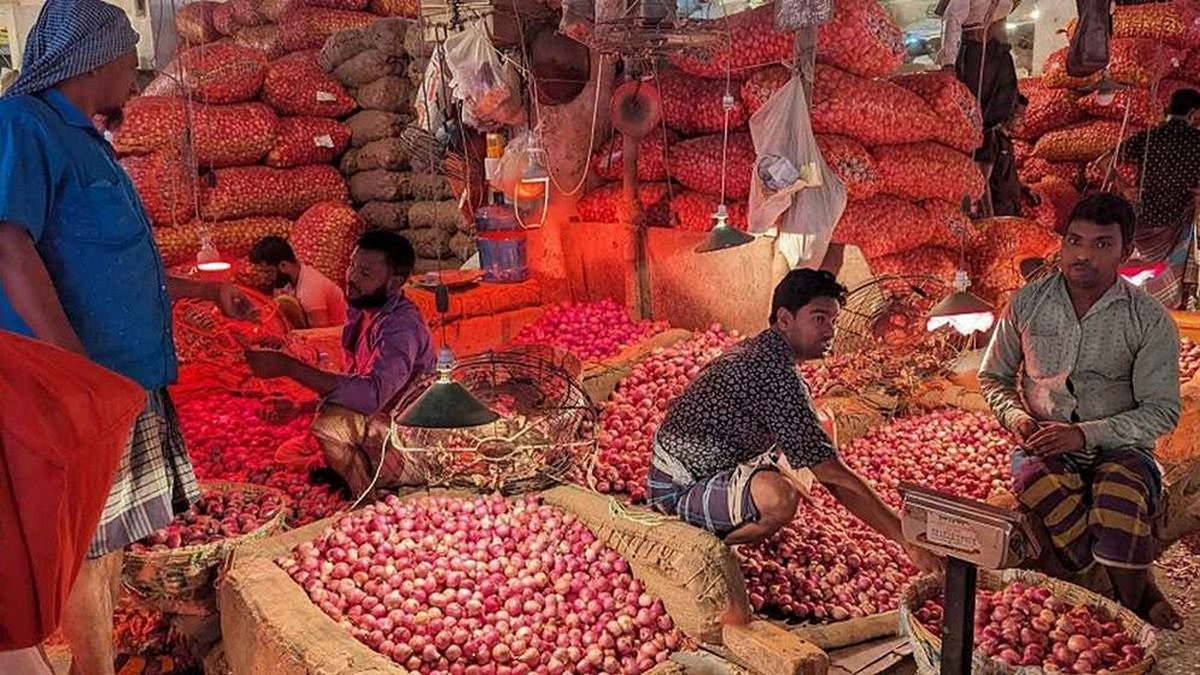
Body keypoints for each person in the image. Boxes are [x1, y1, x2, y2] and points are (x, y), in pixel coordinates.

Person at [0, 2, 255, 673]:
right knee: (86, 534)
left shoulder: (87, 140)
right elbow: (7, 242)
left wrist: (204, 291)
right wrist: (74, 370)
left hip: (121, 380)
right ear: (95, 58)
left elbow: (114, 258)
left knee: (105, 534)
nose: (136, 75)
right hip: (83, 382)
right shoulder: (24, 124)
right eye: (129, 55)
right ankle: (94, 668)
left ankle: (99, 659)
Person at [645, 269, 941, 573]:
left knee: (806, 444)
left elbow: (808, 445)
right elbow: (830, 473)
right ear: (785, 319)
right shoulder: (773, 372)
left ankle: (727, 515)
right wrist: (905, 538)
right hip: (677, 489)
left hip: (703, 470)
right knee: (779, 498)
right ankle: (705, 552)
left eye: (834, 321)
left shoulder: (767, 353)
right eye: (819, 318)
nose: (830, 331)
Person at [978, 193, 1183, 628]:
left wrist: (1086, 433)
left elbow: (1161, 411)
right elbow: (992, 379)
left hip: (1121, 448)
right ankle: (1132, 584)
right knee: (1040, 483)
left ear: (1125, 251)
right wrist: (1018, 418)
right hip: (1046, 447)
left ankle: (1127, 618)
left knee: (1117, 496)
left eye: (1102, 244)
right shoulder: (1027, 304)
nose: (1083, 255)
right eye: (1075, 241)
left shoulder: (1148, 319)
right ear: (1063, 243)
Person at [245, 231, 436, 499]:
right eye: (352, 266)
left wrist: (289, 367)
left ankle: (366, 502)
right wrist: (301, 408)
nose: (352, 277)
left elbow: (370, 395)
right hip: (378, 424)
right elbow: (354, 385)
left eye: (365, 273)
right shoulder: (362, 311)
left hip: (414, 441)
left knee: (328, 426)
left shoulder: (400, 327)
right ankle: (355, 474)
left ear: (394, 283)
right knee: (291, 452)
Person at [1118, 88, 1200, 310]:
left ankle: (1133, 299)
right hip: (1176, 222)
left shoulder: (1148, 137)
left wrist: (1125, 188)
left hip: (1143, 218)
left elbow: (1105, 160)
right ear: (1193, 114)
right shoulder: (1197, 141)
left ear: (1167, 109)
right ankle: (1167, 299)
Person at [937, 0, 1020, 215]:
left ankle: (986, 198)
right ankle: (972, 199)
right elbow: (952, 18)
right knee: (972, 124)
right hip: (975, 56)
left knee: (993, 125)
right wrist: (948, 63)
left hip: (996, 57)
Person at [249, 236, 348, 329]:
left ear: (283, 265)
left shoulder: (310, 289)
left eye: (268, 272)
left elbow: (320, 335)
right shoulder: (287, 282)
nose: (264, 278)